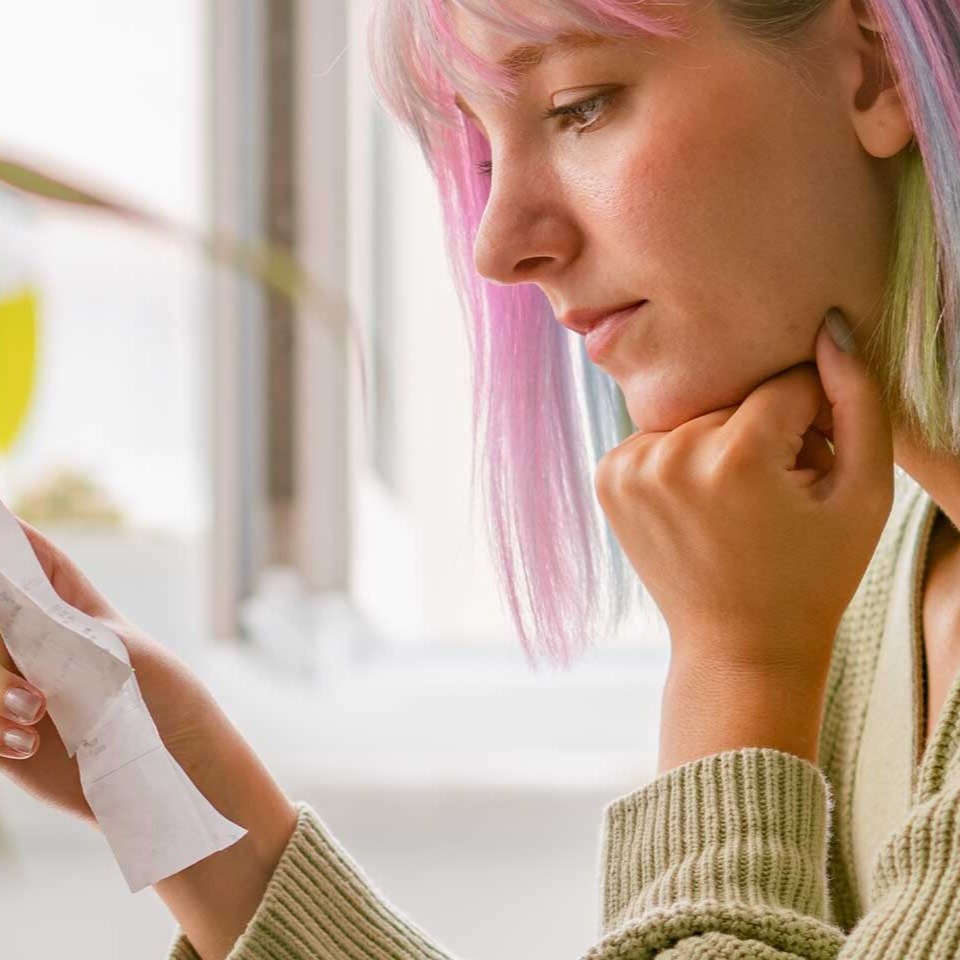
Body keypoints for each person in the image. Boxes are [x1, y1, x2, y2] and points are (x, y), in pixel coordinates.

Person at [1, 0, 959, 956]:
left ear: (871, 63)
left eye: (580, 106)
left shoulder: (786, 616)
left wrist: (738, 668)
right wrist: (182, 800)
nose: (499, 247)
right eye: (486, 158)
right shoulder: (871, 585)